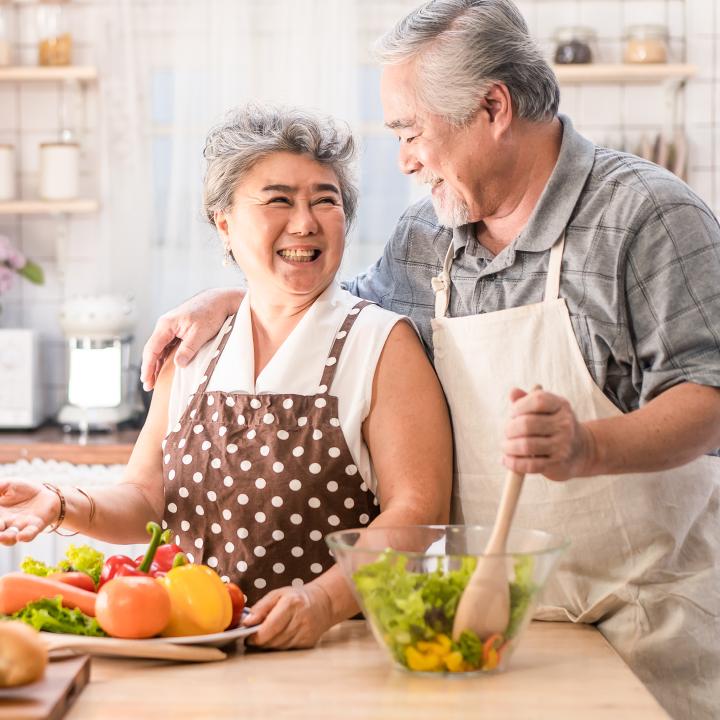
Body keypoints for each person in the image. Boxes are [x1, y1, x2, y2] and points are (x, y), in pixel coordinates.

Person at [139, 2, 720, 717]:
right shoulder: (428, 234)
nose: (405, 158)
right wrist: (230, 295)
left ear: (494, 107)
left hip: (639, 620)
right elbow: (333, 307)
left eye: (411, 131)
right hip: (474, 628)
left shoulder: (646, 215)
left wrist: (587, 445)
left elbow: (710, 394)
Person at [0, 104, 452, 650]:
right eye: (278, 199)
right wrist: (61, 501)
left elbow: (419, 512)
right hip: (195, 645)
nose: (305, 221)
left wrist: (323, 602)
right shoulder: (195, 350)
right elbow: (147, 500)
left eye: (325, 200)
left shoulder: (381, 343)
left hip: (340, 647)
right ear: (225, 223)